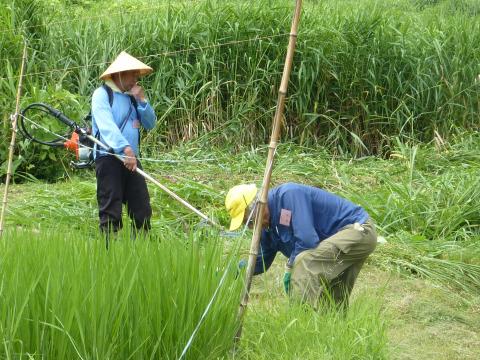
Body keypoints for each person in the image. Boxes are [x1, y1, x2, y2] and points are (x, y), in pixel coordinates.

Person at [225, 182, 377, 308]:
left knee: (304, 263)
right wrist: (232, 271)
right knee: (332, 298)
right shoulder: (266, 228)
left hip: (357, 230)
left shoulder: (289, 195)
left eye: (250, 221)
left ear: (259, 204)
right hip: (336, 241)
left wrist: (290, 267)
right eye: (247, 224)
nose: (252, 227)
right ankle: (330, 334)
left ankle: (298, 322)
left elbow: (307, 240)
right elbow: (260, 261)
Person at [91, 51, 156, 244]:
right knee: (111, 208)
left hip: (131, 160)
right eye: (132, 75)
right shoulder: (102, 95)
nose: (135, 79)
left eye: (137, 75)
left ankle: (142, 250)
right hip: (109, 159)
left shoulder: (132, 98)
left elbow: (150, 123)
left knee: (142, 208)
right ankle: (109, 252)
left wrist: (142, 100)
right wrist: (125, 148)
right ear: (119, 74)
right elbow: (106, 126)